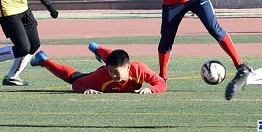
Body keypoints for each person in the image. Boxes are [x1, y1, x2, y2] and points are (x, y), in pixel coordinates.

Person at [30, 43, 167, 94]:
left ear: (128, 68)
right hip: (98, 74)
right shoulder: (102, 75)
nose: (113, 75)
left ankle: (98, 48)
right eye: (111, 71)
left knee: (114, 58)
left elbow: (161, 83)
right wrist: (86, 89)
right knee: (75, 77)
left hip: (118, 65)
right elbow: (77, 84)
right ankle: (44, 60)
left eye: (116, 72)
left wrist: (151, 89)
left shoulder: (140, 69)